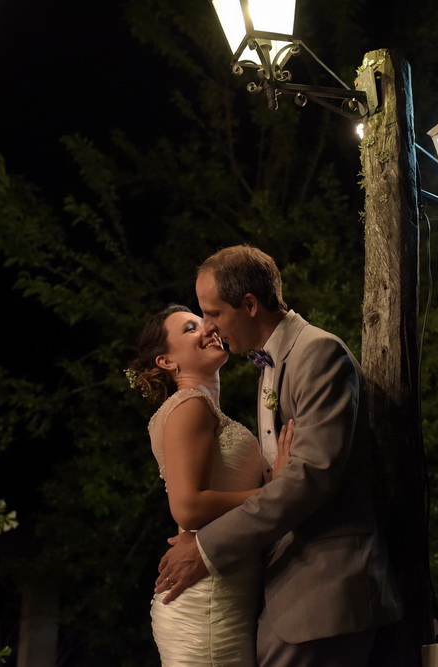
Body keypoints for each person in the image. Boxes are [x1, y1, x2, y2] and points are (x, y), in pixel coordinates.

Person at [154, 245, 402, 666]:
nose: (210, 327)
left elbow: (311, 477)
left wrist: (209, 547)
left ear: (249, 304)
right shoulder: (268, 365)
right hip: (286, 589)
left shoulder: (317, 354)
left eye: (212, 313)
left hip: (325, 589)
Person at [126, 303, 293, 666]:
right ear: (167, 362)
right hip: (207, 601)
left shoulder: (206, 409)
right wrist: (275, 490)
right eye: (190, 328)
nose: (207, 329)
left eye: (205, 321)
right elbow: (188, 507)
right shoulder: (190, 405)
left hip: (227, 590)